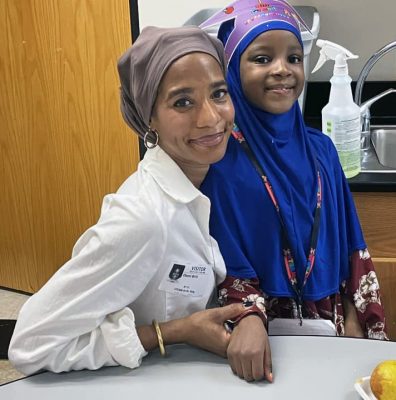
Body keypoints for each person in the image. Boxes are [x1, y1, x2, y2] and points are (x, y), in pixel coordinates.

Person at [8, 26, 242, 375]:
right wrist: (168, 333)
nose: (210, 118)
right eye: (182, 102)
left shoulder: (212, 182)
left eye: (218, 94)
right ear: (148, 118)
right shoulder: (143, 218)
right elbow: (29, 345)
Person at [200, 0, 388, 382]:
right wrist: (250, 316)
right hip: (256, 336)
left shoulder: (322, 151)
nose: (282, 69)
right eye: (262, 58)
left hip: (332, 324)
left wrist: (353, 316)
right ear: (233, 71)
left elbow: (352, 243)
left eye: (294, 58)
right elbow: (223, 260)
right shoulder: (221, 162)